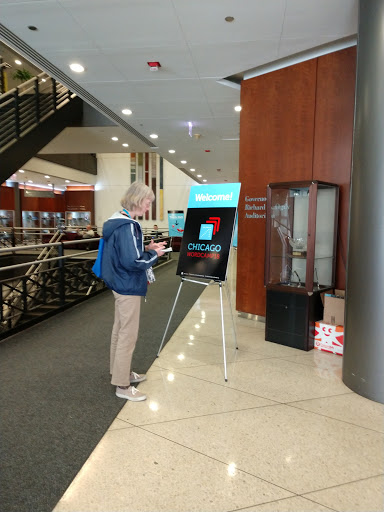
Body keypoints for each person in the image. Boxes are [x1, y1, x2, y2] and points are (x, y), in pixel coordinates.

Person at [101, 182, 166, 401]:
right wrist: (155, 254)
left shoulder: (115, 221)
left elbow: (125, 253)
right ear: (138, 199)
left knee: (119, 331)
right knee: (128, 335)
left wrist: (147, 249)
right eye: (148, 203)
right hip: (128, 284)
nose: (148, 208)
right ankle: (122, 385)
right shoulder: (129, 225)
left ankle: (118, 372)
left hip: (118, 283)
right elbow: (134, 261)